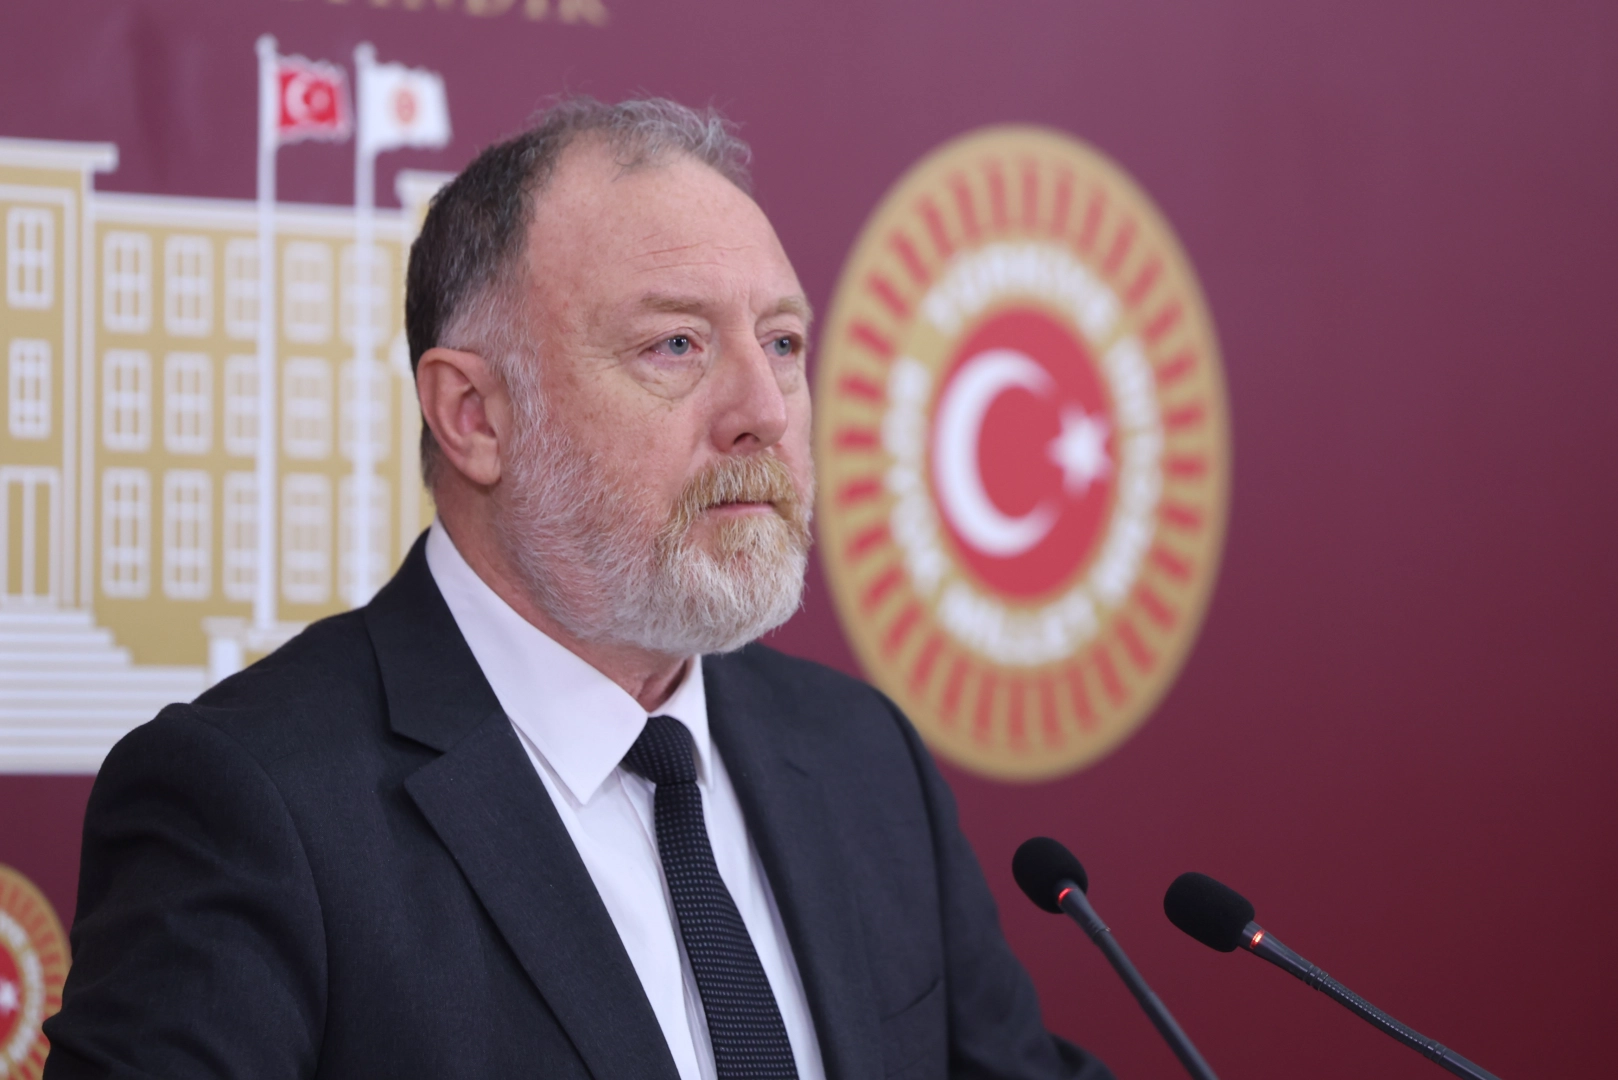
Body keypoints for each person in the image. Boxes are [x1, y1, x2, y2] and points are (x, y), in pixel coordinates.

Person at [43, 98, 1113, 1080]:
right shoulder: (254, 804)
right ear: (475, 417)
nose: (765, 411)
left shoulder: (861, 757)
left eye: (782, 342)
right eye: (676, 345)